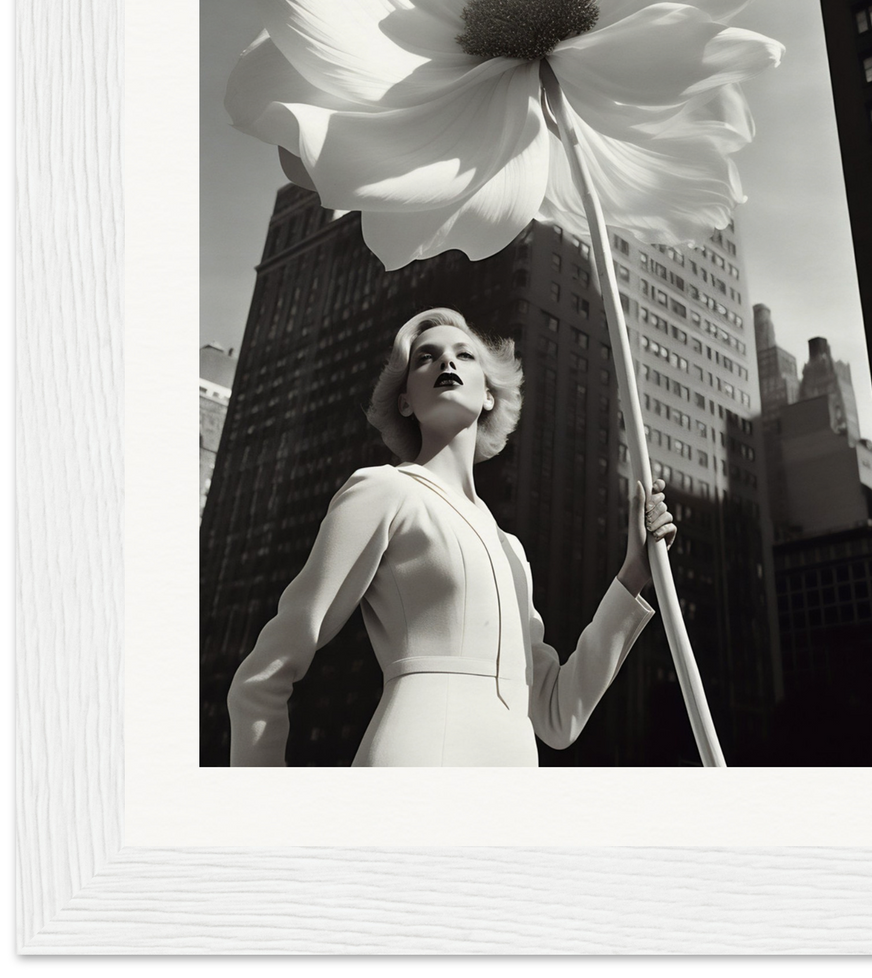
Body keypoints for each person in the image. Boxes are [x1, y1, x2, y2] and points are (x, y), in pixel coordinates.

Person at [228, 306, 676, 767]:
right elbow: (265, 675)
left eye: (464, 355)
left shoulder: (510, 548)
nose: (447, 363)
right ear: (405, 401)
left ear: (488, 395)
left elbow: (557, 717)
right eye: (426, 357)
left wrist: (634, 574)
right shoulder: (384, 490)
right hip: (416, 761)